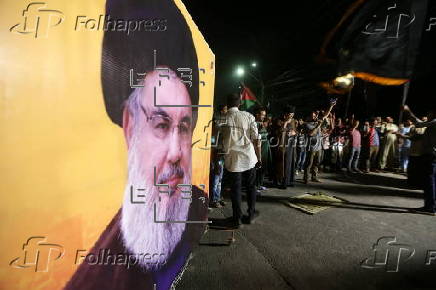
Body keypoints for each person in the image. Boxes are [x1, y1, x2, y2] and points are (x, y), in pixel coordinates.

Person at [65, 2, 208, 289]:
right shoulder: (97, 279)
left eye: (184, 127)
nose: (177, 151)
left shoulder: (198, 206)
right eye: (161, 125)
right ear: (130, 127)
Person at [220, 93, 262, 226]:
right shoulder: (248, 116)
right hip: (249, 157)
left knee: (236, 189)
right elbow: (256, 139)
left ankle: (237, 218)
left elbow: (222, 141)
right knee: (250, 187)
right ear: (240, 104)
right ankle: (250, 214)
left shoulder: (223, 119)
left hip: (233, 159)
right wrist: (259, 157)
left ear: (227, 104)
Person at [402, 105, 436, 215]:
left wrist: (408, 111)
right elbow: (419, 137)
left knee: (429, 181)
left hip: (431, 155)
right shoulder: (432, 126)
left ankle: (430, 208)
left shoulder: (435, 121)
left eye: (429, 113)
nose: (427, 115)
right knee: (432, 181)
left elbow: (419, 124)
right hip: (431, 155)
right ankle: (431, 206)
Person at [303, 100, 336, 184]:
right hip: (311, 147)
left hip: (319, 147)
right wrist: (318, 125)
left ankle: (314, 177)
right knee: (309, 163)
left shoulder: (318, 121)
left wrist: (331, 106)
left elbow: (326, 114)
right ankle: (306, 178)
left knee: (316, 163)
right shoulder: (307, 124)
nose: (315, 117)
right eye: (313, 116)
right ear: (310, 117)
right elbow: (311, 133)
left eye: (315, 115)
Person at [273, 106, 298, 189]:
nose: (291, 116)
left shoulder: (293, 121)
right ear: (285, 114)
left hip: (290, 144)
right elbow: (279, 131)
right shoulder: (279, 121)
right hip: (280, 144)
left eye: (292, 114)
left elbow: (295, 131)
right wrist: (286, 123)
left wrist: (293, 133)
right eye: (290, 114)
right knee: (281, 162)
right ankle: (279, 181)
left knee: (289, 162)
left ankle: (288, 181)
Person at [210, 105, 228, 208]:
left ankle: (218, 197)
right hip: (216, 154)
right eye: (225, 109)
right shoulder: (214, 126)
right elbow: (213, 141)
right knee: (216, 177)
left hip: (221, 154)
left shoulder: (221, 125)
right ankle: (214, 199)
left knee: (220, 177)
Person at [255, 107, 272, 191]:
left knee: (263, 167)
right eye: (262, 115)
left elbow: (266, 134)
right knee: (258, 167)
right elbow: (255, 136)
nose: (263, 116)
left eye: (264, 115)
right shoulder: (255, 124)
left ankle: (260, 184)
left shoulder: (263, 123)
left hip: (266, 147)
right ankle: (255, 186)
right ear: (257, 114)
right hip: (259, 148)